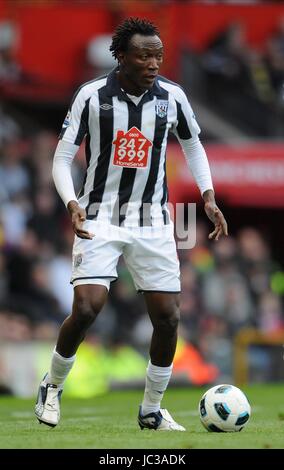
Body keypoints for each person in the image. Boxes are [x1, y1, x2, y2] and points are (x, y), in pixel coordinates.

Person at [35, 17, 228, 431]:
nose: (153, 62)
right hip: (100, 215)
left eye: (158, 54)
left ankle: (151, 410)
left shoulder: (172, 97)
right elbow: (62, 158)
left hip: (153, 221)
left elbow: (193, 145)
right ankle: (52, 385)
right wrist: (71, 202)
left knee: (168, 317)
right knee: (87, 308)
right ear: (121, 57)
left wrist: (208, 196)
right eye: (144, 55)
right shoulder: (91, 96)